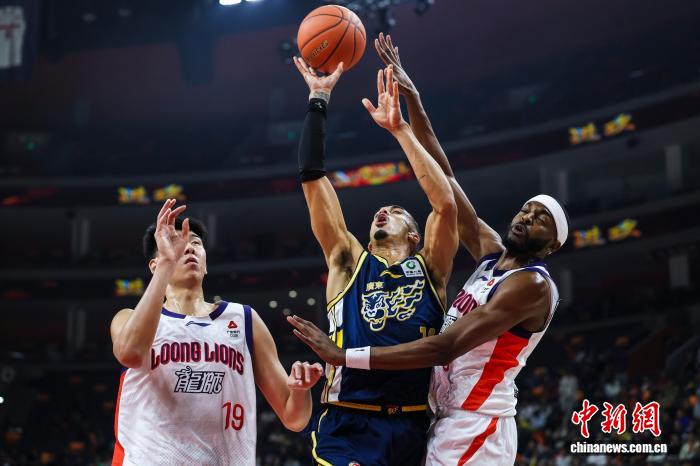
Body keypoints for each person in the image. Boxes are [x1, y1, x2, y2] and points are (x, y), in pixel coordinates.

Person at [289, 34, 569, 466]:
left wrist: (342, 356)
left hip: (467, 420)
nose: (527, 216)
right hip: (398, 418)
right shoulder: (353, 259)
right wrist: (409, 102)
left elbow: (445, 204)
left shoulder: (522, 282)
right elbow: (447, 178)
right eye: (527, 209)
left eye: (540, 218)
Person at [292, 56, 459, 466]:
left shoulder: (430, 269)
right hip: (349, 421)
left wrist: (401, 130)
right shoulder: (348, 260)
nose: (383, 211)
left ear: (415, 236)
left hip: (412, 425)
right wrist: (318, 100)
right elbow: (312, 177)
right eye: (379, 212)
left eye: (397, 211)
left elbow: (446, 204)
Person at [110, 199, 323, 466]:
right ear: (155, 264)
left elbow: (295, 419)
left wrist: (300, 390)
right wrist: (167, 262)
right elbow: (130, 353)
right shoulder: (127, 318)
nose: (188, 247)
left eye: (196, 243)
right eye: (177, 242)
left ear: (206, 264)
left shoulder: (244, 319)